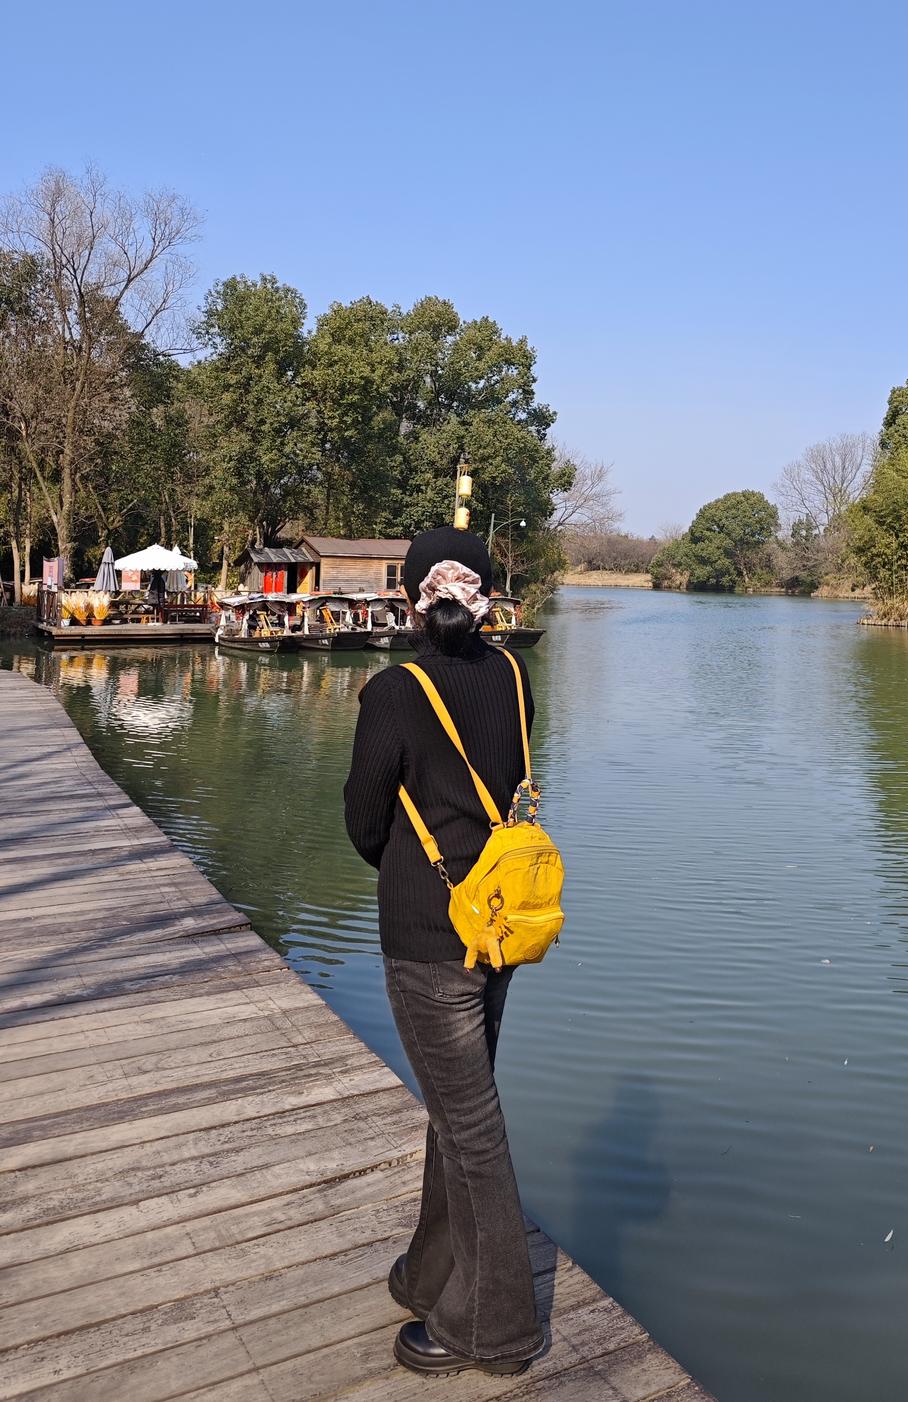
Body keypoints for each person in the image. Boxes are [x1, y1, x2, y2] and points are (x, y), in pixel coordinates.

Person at [343, 525, 544, 1379]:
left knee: (471, 1129)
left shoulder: (395, 689)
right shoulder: (512, 674)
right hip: (498, 921)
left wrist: (412, 865)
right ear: (487, 597)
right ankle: (432, 1271)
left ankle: (491, 1328)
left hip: (429, 937)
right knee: (457, 1110)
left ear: (413, 600)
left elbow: (362, 821)